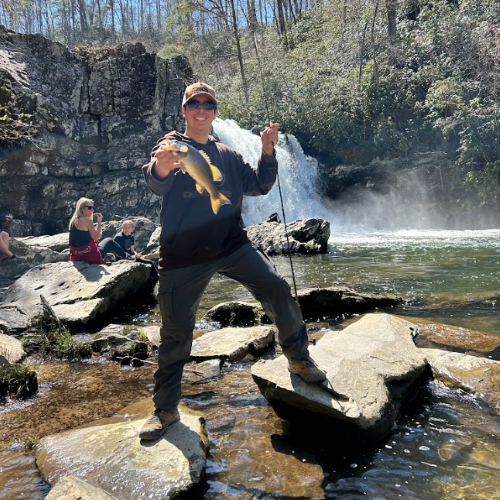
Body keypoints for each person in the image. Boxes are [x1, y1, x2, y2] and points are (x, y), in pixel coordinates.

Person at [139, 81, 326, 441]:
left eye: (208, 104)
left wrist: (267, 150)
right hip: (182, 257)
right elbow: (157, 180)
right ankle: (164, 409)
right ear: (184, 110)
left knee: (277, 288)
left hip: (231, 244)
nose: (201, 109)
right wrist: (161, 166)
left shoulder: (227, 152)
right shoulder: (172, 144)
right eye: (194, 103)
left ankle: (298, 358)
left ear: (214, 112)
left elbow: (259, 185)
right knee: (176, 334)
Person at [68, 198, 106, 265]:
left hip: (77, 256)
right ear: (82, 208)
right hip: (89, 256)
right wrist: (99, 222)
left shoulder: (74, 220)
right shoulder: (86, 220)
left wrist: (90, 215)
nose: (92, 210)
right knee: (109, 241)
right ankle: (125, 256)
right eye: (89, 208)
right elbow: (96, 237)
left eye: (92, 208)